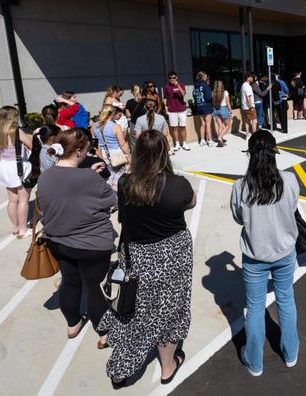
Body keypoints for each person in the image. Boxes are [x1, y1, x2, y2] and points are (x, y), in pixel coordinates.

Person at [99, 130, 196, 387]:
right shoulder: (179, 185)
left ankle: (120, 369)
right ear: (164, 151)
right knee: (171, 310)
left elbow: (123, 215)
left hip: (139, 256)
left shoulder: (125, 184)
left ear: (138, 153)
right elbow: (191, 203)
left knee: (136, 312)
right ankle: (168, 366)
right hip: (173, 256)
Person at [37, 128, 115, 348]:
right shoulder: (89, 177)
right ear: (79, 151)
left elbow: (57, 196)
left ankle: (73, 324)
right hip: (90, 244)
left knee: (70, 283)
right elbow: (111, 199)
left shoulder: (45, 176)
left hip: (58, 242)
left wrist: (88, 173)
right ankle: (104, 333)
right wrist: (93, 175)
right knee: (94, 287)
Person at [231, 130, 300, 376]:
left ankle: (255, 361)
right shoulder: (290, 180)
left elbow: (239, 218)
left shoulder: (240, 187)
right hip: (284, 252)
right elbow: (292, 209)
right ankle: (290, 352)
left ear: (250, 155)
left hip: (254, 256)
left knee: (255, 308)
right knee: (285, 300)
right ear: (274, 153)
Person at [0, 106, 35, 237]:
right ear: (12, 117)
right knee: (23, 200)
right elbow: (31, 145)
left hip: (4, 166)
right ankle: (23, 229)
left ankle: (16, 226)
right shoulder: (17, 131)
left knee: (12, 200)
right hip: (18, 167)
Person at [92, 103, 131, 189]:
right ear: (112, 113)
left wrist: (99, 155)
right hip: (116, 153)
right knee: (119, 177)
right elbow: (122, 144)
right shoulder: (116, 126)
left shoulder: (94, 126)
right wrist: (129, 155)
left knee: (108, 176)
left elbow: (95, 143)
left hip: (103, 153)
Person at [163, 71, 189, 152]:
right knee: (174, 128)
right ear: (168, 79)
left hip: (181, 109)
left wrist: (177, 85)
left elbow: (183, 94)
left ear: (176, 78)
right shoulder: (166, 87)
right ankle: (177, 144)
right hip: (172, 110)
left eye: (174, 77)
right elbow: (165, 98)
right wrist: (165, 107)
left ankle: (184, 143)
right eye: (170, 78)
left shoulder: (181, 85)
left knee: (183, 127)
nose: (172, 79)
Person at [193, 71, 214, 146]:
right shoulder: (205, 85)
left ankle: (202, 140)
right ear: (203, 77)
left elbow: (194, 96)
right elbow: (208, 97)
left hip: (199, 106)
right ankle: (210, 141)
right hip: (206, 106)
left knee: (202, 124)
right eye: (205, 76)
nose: (206, 77)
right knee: (208, 124)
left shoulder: (195, 86)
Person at [211, 80, 232, 147]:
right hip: (223, 109)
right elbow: (228, 103)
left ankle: (220, 141)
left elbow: (212, 102)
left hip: (216, 110)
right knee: (228, 125)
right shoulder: (225, 92)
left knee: (220, 126)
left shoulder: (213, 93)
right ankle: (220, 137)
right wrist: (230, 111)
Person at [240, 72, 258, 139]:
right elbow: (249, 97)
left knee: (247, 121)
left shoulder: (243, 85)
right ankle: (255, 136)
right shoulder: (247, 86)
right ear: (248, 78)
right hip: (249, 107)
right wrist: (251, 107)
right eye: (251, 77)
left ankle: (247, 135)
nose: (252, 78)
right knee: (254, 121)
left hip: (244, 107)